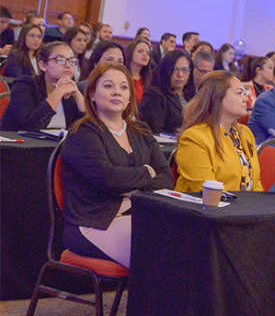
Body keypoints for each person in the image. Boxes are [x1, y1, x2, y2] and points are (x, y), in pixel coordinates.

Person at [60, 62, 172, 268]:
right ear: (92, 93)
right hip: (93, 223)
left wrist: (129, 187)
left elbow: (166, 179)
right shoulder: (83, 132)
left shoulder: (142, 131)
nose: (116, 92)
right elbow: (108, 179)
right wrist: (147, 173)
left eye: (123, 87)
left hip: (134, 214)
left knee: (184, 237)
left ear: (130, 95)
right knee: (159, 248)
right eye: (108, 86)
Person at [175, 71, 263, 192]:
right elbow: (207, 191)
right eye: (239, 93)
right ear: (216, 97)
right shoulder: (194, 137)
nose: (246, 99)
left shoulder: (245, 133)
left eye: (244, 93)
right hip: (209, 208)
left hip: (245, 208)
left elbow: (256, 183)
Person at [1, 42, 85, 131]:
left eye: (72, 61)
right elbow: (29, 127)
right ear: (43, 65)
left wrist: (78, 97)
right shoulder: (25, 84)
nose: (68, 65)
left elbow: (90, 130)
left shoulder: (73, 89)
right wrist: (58, 92)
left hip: (57, 144)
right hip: (21, 142)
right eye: (60, 60)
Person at [138, 51, 192, 135]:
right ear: (166, 70)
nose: (180, 74)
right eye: (175, 69)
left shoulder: (191, 97)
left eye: (185, 70)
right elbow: (156, 131)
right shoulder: (154, 95)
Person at [123, 38, 153, 103]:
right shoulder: (122, 76)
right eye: (140, 51)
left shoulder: (150, 79)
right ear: (130, 53)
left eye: (148, 53)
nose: (145, 55)